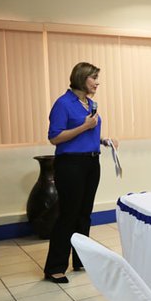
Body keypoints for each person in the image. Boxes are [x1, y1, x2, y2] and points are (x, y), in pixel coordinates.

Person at [44, 62, 117, 284]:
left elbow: (89, 134)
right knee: (68, 215)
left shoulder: (90, 104)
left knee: (84, 214)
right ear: (81, 78)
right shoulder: (63, 103)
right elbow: (55, 137)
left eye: (97, 78)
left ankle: (80, 258)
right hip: (71, 165)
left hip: (91, 163)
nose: (97, 82)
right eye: (93, 78)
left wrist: (104, 140)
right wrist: (83, 128)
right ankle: (55, 267)